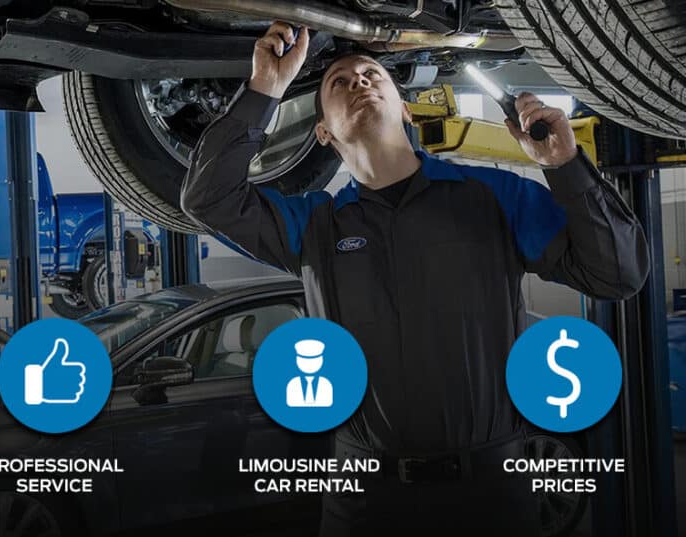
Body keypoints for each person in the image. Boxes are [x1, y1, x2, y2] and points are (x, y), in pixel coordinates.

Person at [181, 22, 649, 536]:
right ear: (323, 132)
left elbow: (618, 274)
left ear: (406, 108)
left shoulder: (493, 197)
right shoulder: (313, 227)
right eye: (338, 82)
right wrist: (264, 89)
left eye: (372, 74)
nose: (358, 81)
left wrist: (566, 166)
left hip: (490, 496)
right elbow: (209, 199)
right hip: (363, 502)